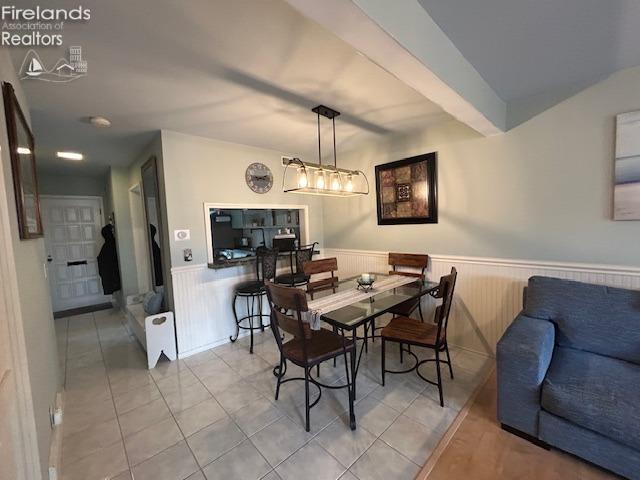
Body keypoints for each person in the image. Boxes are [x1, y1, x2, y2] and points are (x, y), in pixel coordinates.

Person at [97, 224, 121, 294]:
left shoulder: (106, 246)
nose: (114, 233)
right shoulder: (111, 245)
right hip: (115, 280)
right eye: (112, 231)